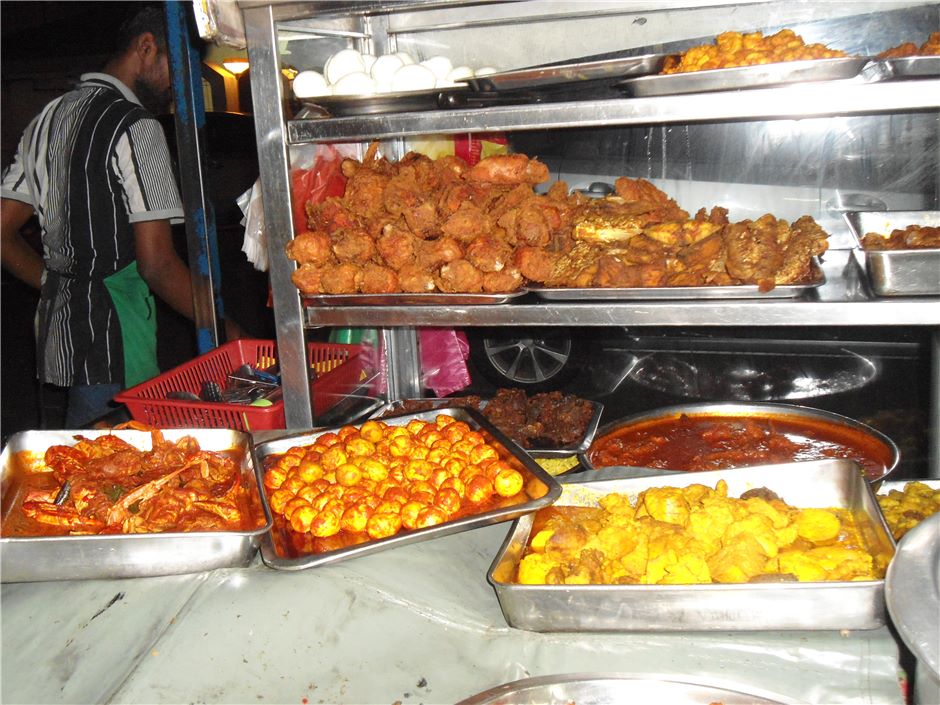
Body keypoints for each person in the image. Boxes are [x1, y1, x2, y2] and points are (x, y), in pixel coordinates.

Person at [1, 7, 240, 427]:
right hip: (116, 337)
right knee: (114, 458)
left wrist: (54, 282)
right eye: (177, 66)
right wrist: (223, 325)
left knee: (84, 450)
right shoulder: (136, 126)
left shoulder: (46, 119)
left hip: (67, 334)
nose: (178, 84)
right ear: (146, 48)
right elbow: (158, 264)